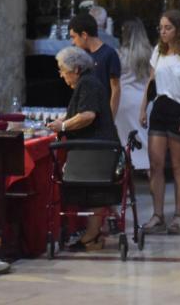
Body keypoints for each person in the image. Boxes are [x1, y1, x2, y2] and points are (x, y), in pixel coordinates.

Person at [47, 46, 120, 251]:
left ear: (76, 69)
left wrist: (62, 126)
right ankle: (94, 232)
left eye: (63, 69)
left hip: (97, 151)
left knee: (94, 188)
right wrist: (63, 121)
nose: (61, 75)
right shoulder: (87, 83)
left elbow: (88, 116)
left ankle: (92, 235)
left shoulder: (87, 83)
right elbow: (79, 113)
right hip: (95, 148)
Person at [139, 10, 180, 235]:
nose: (163, 32)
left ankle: (178, 215)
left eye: (167, 28)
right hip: (160, 107)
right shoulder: (158, 51)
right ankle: (157, 215)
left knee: (177, 167)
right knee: (155, 164)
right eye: (161, 28)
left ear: (179, 29)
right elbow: (152, 81)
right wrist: (143, 107)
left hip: (179, 110)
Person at [114, 18, 152, 171]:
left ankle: (127, 178)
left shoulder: (119, 54)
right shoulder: (151, 53)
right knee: (145, 140)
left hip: (125, 100)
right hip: (144, 101)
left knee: (126, 142)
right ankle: (150, 172)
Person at [68, 13, 121, 117]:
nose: (73, 42)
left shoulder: (109, 54)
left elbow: (116, 89)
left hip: (102, 115)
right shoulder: (82, 55)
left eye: (73, 37)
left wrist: (110, 118)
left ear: (84, 35)